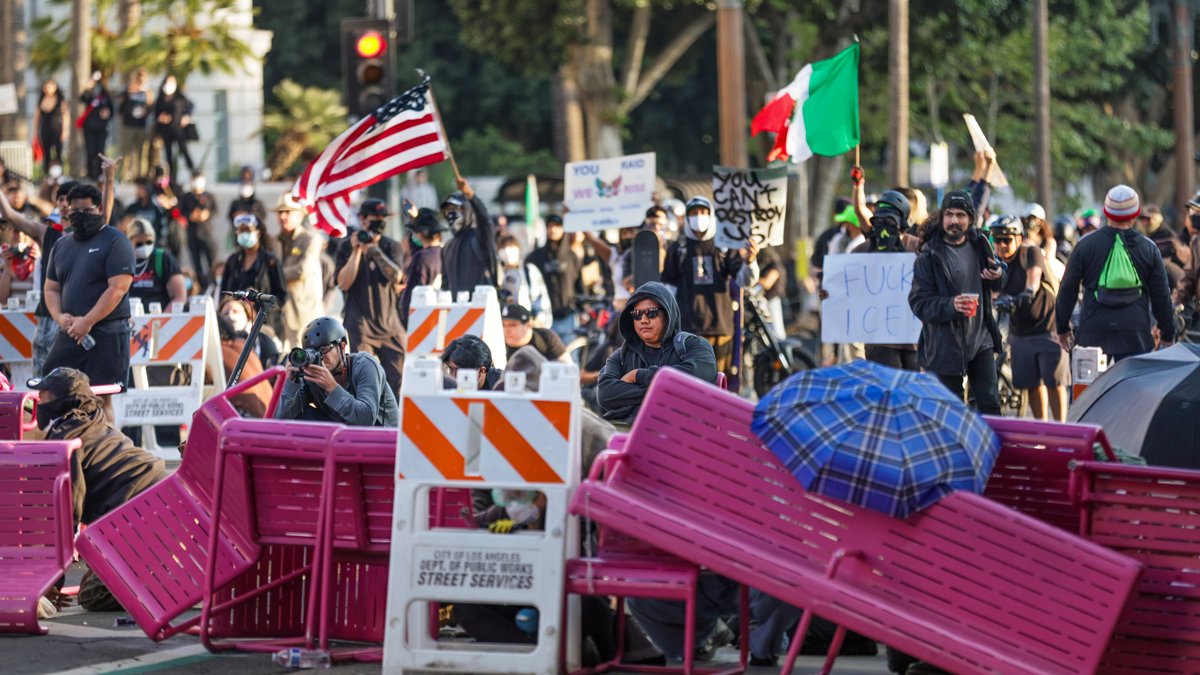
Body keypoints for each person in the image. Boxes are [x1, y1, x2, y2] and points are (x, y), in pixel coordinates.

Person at [29, 367, 167, 611]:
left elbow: (66, 514)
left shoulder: (67, 441)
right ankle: (164, 564)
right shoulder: (95, 420)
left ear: (61, 401)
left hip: (137, 513)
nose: (39, 401)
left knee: (93, 594)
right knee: (97, 577)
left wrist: (50, 582)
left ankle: (172, 581)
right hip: (163, 499)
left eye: (45, 395)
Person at [909, 189, 1006, 413]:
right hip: (945, 344)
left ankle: (989, 438)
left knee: (990, 404)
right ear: (942, 217)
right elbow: (918, 303)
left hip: (980, 340)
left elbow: (998, 283)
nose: (954, 220)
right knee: (951, 409)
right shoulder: (929, 255)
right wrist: (951, 305)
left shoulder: (981, 244)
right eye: (949, 214)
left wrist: (998, 276)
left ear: (970, 219)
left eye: (960, 215)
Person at [43, 184, 135, 420]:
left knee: (100, 399)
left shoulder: (116, 241)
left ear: (100, 208)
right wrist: (59, 316)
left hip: (106, 332)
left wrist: (88, 320)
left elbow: (118, 288)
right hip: (70, 333)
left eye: (87, 210)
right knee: (51, 390)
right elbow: (51, 288)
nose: (81, 216)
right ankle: (64, 440)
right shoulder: (61, 245)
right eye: (75, 211)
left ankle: (108, 444)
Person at [1056, 185, 1175, 362]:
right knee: (1134, 381)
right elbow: (1162, 296)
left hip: (1092, 335)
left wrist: (1062, 328)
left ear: (1106, 212)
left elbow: (1067, 289)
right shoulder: (1148, 248)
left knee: (1091, 381)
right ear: (1135, 215)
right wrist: (1167, 333)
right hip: (1136, 337)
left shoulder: (1085, 245)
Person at [660, 197, 759, 376]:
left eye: (703, 212)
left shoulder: (724, 246)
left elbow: (744, 280)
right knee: (690, 382)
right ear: (687, 217)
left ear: (711, 215)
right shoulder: (679, 247)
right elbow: (668, 288)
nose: (699, 217)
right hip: (687, 329)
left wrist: (750, 262)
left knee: (717, 380)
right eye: (694, 213)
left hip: (720, 327)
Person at [597, 281, 718, 424]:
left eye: (651, 313)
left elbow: (698, 376)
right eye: (637, 314)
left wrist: (637, 375)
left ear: (667, 314)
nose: (643, 320)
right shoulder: (622, 355)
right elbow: (605, 394)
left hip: (680, 431)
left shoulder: (693, 345)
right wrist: (665, 392)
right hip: (628, 428)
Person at [989, 216, 1069, 421]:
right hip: (1020, 332)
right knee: (1032, 385)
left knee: (1054, 382)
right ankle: (1041, 429)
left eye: (1007, 240)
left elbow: (1033, 281)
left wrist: (1024, 295)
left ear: (1018, 238)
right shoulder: (996, 264)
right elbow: (991, 293)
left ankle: (1061, 428)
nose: (1002, 245)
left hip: (1048, 327)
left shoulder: (1029, 253)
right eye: (997, 240)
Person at [335, 198, 407, 394]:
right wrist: (356, 252)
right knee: (364, 381)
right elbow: (343, 283)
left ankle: (392, 412)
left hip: (390, 325)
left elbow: (396, 276)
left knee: (398, 379)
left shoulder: (392, 246)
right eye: (375, 217)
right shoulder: (346, 246)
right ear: (363, 219)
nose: (379, 221)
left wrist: (375, 251)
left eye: (383, 217)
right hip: (360, 326)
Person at [274, 316, 399, 426]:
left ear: (342, 346)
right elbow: (280, 420)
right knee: (298, 417)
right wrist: (290, 384)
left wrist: (331, 387)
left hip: (381, 438)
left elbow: (366, 419)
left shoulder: (365, 365)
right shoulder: (310, 375)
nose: (320, 357)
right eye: (313, 352)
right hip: (342, 437)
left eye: (324, 349)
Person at [850, 188, 921, 371]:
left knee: (912, 386)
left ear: (902, 223)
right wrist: (828, 291)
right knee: (887, 386)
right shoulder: (862, 251)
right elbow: (844, 288)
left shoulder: (919, 248)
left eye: (889, 222)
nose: (883, 228)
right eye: (879, 221)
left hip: (914, 339)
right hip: (879, 340)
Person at [276, 193, 325, 350]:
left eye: (287, 212)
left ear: (299, 215)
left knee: (305, 355)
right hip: (281, 311)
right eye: (280, 212)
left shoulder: (311, 239)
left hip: (304, 312)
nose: (282, 216)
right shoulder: (275, 241)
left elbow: (301, 270)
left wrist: (275, 275)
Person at [526, 214, 583, 341]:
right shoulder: (534, 258)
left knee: (570, 352)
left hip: (568, 317)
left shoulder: (572, 257)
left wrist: (582, 310)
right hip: (543, 319)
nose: (553, 229)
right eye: (550, 226)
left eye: (557, 226)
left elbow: (579, 286)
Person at [441, 177, 497, 295]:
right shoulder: (447, 248)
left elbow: (486, 221)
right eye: (447, 211)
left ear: (467, 210)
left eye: (456, 209)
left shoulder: (479, 237)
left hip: (482, 303)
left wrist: (471, 196)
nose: (451, 214)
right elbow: (445, 286)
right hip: (457, 305)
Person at [220, 212, 287, 307]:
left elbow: (281, 296)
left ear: (259, 232)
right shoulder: (232, 261)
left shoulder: (270, 261)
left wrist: (264, 308)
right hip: (237, 314)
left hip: (264, 315)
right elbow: (224, 293)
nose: (244, 234)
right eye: (241, 231)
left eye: (248, 230)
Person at [126, 217, 187, 310]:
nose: (144, 247)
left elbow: (180, 296)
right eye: (139, 244)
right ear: (129, 242)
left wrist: (164, 317)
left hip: (160, 314)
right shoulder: (123, 261)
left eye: (149, 242)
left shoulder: (163, 258)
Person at [398, 208, 446, 323]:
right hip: (441, 313)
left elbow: (412, 292)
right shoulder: (445, 252)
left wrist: (404, 315)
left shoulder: (422, 257)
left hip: (421, 316)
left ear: (420, 233)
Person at [497, 233, 552, 328]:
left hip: (528, 324)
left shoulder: (529, 271)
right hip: (505, 326)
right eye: (503, 248)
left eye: (511, 247)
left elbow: (540, 299)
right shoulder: (496, 275)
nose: (507, 252)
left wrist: (540, 322)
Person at [178, 174, 217, 287]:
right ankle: (201, 284)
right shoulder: (186, 197)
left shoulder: (209, 196)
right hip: (192, 234)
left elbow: (214, 210)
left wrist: (207, 214)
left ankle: (214, 283)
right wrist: (190, 216)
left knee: (211, 261)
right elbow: (181, 212)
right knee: (196, 262)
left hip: (206, 233)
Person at [219, 296, 281, 367]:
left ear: (247, 315)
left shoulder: (264, 338)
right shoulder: (217, 343)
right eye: (225, 314)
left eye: (235, 311)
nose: (230, 316)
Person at [152, 75, 195, 179]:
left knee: (184, 150)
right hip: (165, 130)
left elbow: (190, 106)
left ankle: (193, 171)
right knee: (168, 154)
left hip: (177, 129)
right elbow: (156, 112)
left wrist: (186, 116)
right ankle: (171, 177)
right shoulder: (161, 98)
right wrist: (161, 118)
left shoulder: (179, 97)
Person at [117, 68, 155, 180]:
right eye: (139, 76)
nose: (141, 79)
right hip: (128, 126)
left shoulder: (148, 91)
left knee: (142, 154)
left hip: (142, 126)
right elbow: (120, 109)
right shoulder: (128, 90)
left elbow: (152, 108)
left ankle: (140, 178)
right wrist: (128, 93)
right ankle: (122, 176)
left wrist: (148, 105)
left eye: (143, 76)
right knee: (125, 153)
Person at [501, 303, 569, 363]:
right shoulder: (501, 344)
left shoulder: (545, 337)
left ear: (528, 325)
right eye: (503, 325)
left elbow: (566, 366)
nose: (507, 330)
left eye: (512, 325)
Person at [78, 73, 114, 180]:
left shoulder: (105, 96)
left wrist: (107, 114)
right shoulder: (90, 95)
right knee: (90, 151)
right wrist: (87, 88)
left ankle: (100, 173)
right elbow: (81, 99)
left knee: (100, 151)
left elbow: (111, 111)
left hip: (101, 128)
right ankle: (90, 174)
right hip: (89, 128)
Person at [34, 79, 69, 175]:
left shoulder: (60, 100)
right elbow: (37, 118)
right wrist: (35, 132)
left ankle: (60, 174)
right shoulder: (41, 100)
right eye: (46, 86)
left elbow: (65, 115)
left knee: (58, 152)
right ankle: (47, 174)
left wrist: (65, 130)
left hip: (57, 129)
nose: (48, 88)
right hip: (45, 129)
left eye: (50, 86)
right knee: (46, 153)